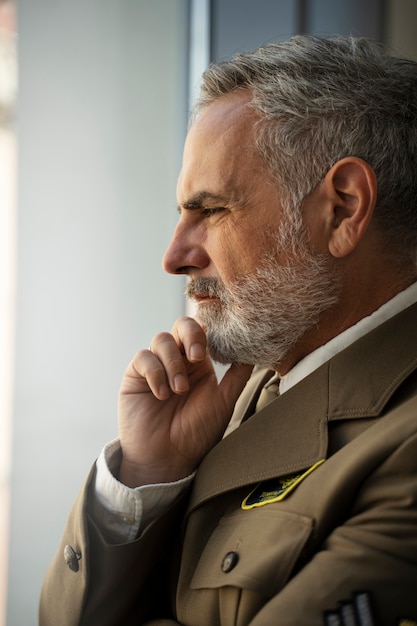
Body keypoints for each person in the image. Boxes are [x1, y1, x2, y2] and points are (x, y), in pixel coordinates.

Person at [39, 34, 417, 626]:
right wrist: (148, 476)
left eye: (210, 210)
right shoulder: (244, 392)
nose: (174, 255)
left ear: (342, 209)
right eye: (180, 214)